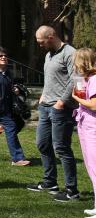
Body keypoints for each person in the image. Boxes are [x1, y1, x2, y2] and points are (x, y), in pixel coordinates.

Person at [28, 25, 79, 201]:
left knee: (62, 148)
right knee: (42, 144)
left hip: (61, 109)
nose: (40, 45)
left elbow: (75, 80)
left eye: (41, 42)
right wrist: (43, 96)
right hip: (46, 106)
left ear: (51, 37)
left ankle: (72, 190)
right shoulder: (49, 55)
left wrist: (61, 102)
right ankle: (50, 181)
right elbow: (51, 79)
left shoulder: (70, 53)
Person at [71, 48, 96, 218]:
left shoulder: (94, 79)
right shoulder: (86, 78)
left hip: (93, 127)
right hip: (85, 125)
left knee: (95, 168)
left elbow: (94, 105)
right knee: (90, 166)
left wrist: (76, 98)